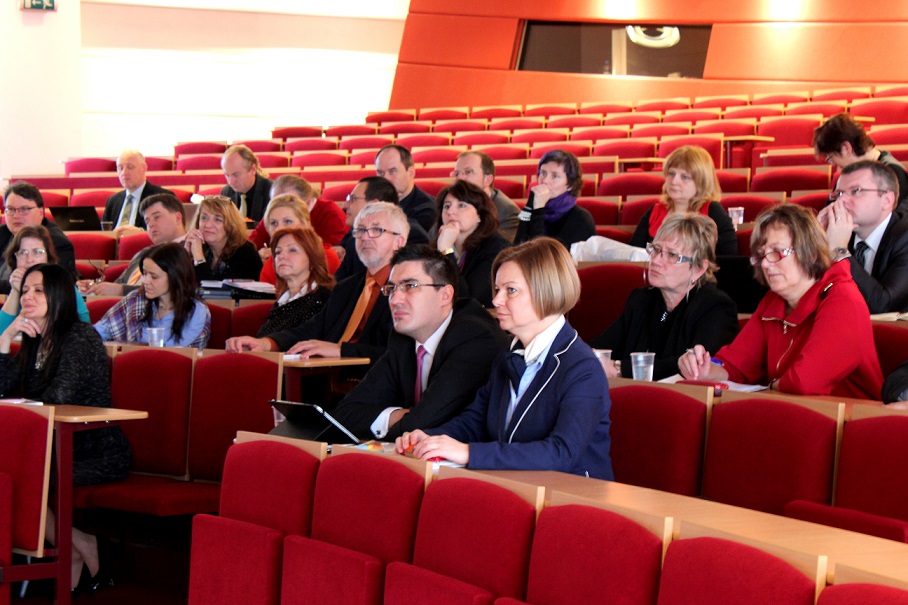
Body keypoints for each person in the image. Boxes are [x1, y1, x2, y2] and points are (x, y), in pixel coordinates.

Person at [396, 237, 613, 480]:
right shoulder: (507, 356)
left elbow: (561, 452)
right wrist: (431, 437)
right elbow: (475, 421)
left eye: (510, 290)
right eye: (498, 290)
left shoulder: (583, 368)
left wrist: (469, 453)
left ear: (545, 290)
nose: (496, 300)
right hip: (518, 484)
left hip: (573, 493)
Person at [0, 263, 131, 590]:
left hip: (94, 451)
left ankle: (79, 547)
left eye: (38, 290)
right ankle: (78, 545)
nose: (27, 297)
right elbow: (4, 389)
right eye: (25, 290)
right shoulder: (34, 339)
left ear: (59, 295)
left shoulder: (80, 337)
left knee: (23, 477)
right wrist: (5, 339)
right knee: (11, 474)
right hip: (51, 450)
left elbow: (58, 398)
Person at [679, 204, 882, 399]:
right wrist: (704, 370)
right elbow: (735, 366)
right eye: (762, 255)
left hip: (852, 416)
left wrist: (771, 385)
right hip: (792, 410)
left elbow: (804, 382)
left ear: (811, 253)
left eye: (777, 252)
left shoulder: (842, 299)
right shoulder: (774, 300)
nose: (766, 264)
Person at [332, 246, 508, 440]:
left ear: (445, 295)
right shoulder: (403, 338)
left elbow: (423, 426)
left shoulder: (475, 337)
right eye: (391, 288)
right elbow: (344, 414)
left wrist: (405, 419)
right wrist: (400, 415)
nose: (395, 299)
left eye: (410, 286)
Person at [225, 202, 408, 368]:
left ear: (399, 241)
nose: (365, 237)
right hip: (326, 376)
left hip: (374, 381)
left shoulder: (408, 290)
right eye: (360, 230)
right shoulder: (347, 287)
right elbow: (309, 330)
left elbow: (402, 353)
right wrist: (266, 343)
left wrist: (341, 350)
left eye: (376, 230)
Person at [590, 214, 739, 381]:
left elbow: (696, 368)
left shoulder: (716, 308)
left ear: (698, 268)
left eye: (672, 255)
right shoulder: (641, 299)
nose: (656, 260)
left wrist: (619, 369)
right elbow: (598, 349)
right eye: (656, 250)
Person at [818, 160, 908, 313]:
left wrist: (839, 251)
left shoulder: (904, 237)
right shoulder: (836, 233)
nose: (841, 201)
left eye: (856, 191)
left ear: (887, 200)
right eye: (838, 194)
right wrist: (816, 239)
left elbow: (883, 306)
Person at [94, 243, 211, 348]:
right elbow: (98, 331)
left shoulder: (196, 311)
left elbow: (176, 354)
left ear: (175, 277)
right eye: (144, 274)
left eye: (154, 277)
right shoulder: (135, 299)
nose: (145, 281)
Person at [629, 145, 738, 256]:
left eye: (685, 177)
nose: (674, 181)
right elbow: (633, 256)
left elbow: (729, 259)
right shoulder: (655, 212)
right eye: (671, 173)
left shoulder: (713, 211)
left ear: (701, 182)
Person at [80, 193, 188, 296]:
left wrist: (122, 291)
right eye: (147, 221)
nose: (150, 224)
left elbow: (174, 289)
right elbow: (119, 283)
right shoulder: (144, 253)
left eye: (157, 217)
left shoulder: (190, 251)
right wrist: (96, 288)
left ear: (178, 218)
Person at [333, 176, 429, 281]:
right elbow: (339, 284)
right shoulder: (355, 239)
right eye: (361, 230)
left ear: (374, 204)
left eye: (353, 199)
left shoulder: (412, 235)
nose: (345, 205)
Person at [432, 179, 510, 307]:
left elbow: (468, 299)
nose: (450, 211)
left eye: (461, 205)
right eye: (447, 206)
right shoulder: (437, 245)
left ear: (480, 215)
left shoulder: (496, 247)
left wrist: (446, 251)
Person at [0, 225, 90, 331]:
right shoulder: (18, 287)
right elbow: (1, 332)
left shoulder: (63, 285)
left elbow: (84, 328)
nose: (29, 259)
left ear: (48, 257)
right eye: (23, 253)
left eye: (37, 252)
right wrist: (15, 292)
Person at [814, 113, 908, 211]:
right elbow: (831, 209)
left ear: (846, 148)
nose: (832, 163)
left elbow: (894, 218)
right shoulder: (849, 173)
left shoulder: (893, 172)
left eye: (831, 157)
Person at [256, 227, 334, 337]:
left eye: (292, 250)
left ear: (312, 258)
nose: (281, 256)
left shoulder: (323, 299)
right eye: (278, 252)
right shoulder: (282, 301)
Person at [0, 181, 76, 292]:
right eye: (10, 209)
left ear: (41, 212)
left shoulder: (56, 242)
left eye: (24, 209)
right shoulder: (3, 233)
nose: (16, 215)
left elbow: (44, 286)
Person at [514, 149, 596, 250]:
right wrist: (531, 205)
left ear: (570, 185)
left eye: (555, 176)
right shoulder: (533, 207)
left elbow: (543, 254)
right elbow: (516, 248)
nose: (545, 180)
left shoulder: (580, 218)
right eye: (543, 173)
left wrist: (538, 210)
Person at [247, 174, 347, 249]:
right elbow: (252, 243)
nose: (280, 208)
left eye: (290, 202)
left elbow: (334, 253)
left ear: (308, 202)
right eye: (276, 202)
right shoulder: (275, 214)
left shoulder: (330, 213)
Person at [256, 194, 340, 283]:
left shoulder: (327, 258)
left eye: (288, 221)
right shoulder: (271, 264)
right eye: (274, 223)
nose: (279, 229)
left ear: (304, 224)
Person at [184, 195, 263, 281]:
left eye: (218, 219)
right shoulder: (201, 248)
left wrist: (199, 258)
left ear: (231, 225)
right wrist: (185, 256)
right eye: (204, 218)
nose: (208, 225)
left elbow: (213, 288)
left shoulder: (245, 253)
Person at [452, 151, 521, 242]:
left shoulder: (507, 212)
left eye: (468, 172)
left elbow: (501, 249)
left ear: (487, 180)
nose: (459, 178)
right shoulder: (450, 206)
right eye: (457, 174)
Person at [101, 149, 172, 234]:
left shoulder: (162, 197)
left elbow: (168, 231)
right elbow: (104, 233)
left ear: (144, 168)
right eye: (120, 168)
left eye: (130, 167)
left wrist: (141, 233)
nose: (124, 173)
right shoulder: (112, 201)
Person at [375, 144, 436, 231]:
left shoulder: (427, 209)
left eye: (392, 171)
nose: (386, 179)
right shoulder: (372, 201)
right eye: (380, 173)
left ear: (411, 173)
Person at [218, 144, 273, 221]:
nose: (231, 182)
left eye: (236, 175)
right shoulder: (226, 193)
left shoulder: (271, 192)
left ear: (253, 169)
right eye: (227, 175)